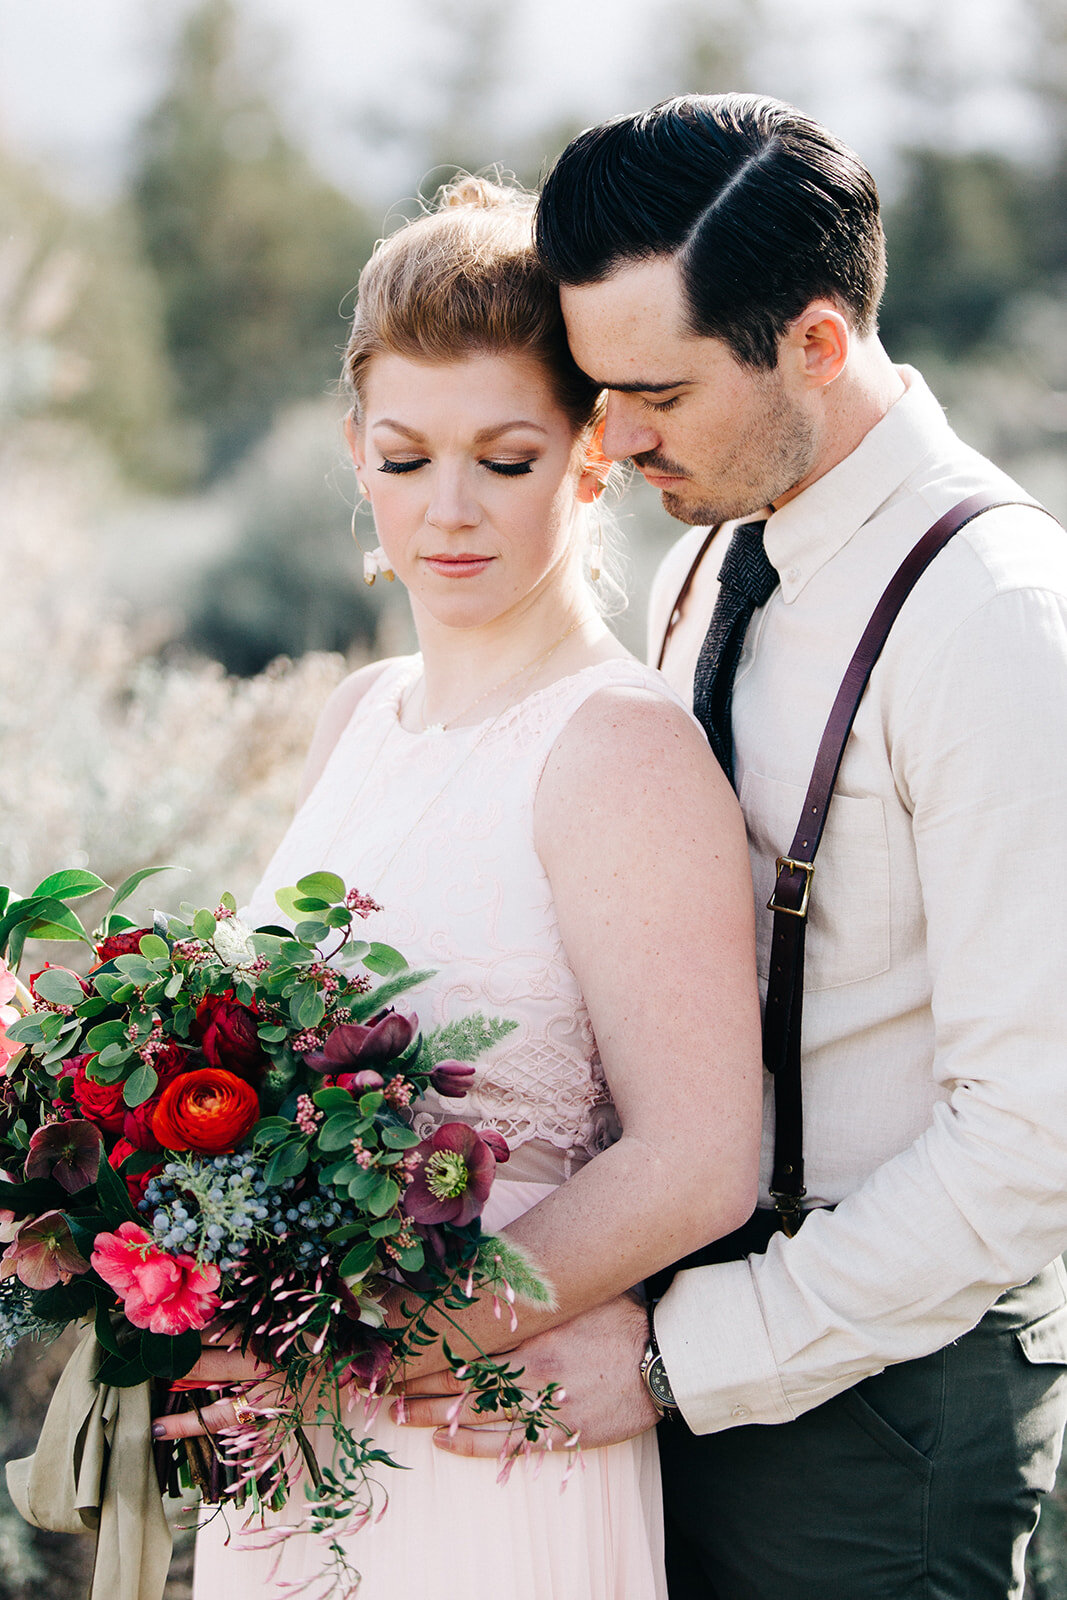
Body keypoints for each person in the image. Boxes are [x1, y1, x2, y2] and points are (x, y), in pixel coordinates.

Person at [398, 97, 1067, 1600]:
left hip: (879, 1413)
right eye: (596, 386)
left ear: (817, 346)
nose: (613, 440)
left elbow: (1035, 1141)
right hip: (659, 1353)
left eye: (658, 393)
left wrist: (683, 1359)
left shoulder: (1000, 624)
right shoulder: (718, 538)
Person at [154, 175, 764, 1599]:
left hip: (485, 1444)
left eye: (504, 458)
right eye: (404, 455)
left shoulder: (619, 750)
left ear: (592, 453)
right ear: (351, 451)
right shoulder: (357, 715)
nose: (447, 511)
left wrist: (357, 1347)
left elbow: (695, 1162)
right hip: (295, 1455)